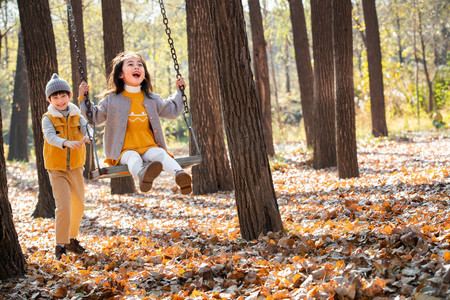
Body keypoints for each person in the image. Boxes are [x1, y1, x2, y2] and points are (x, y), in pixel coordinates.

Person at [78, 51, 192, 195]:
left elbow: (171, 110)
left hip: (148, 145)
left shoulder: (151, 98)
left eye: (140, 65)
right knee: (133, 157)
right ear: (120, 74)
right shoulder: (112, 100)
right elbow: (95, 117)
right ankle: (143, 174)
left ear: (144, 74)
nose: (136, 67)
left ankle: (180, 175)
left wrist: (179, 93)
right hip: (124, 151)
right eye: (130, 64)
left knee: (160, 154)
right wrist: (83, 98)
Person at [42, 73, 91, 260]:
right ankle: (60, 245)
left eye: (63, 96)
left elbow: (86, 127)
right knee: (63, 206)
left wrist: (87, 136)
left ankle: (71, 239)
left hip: (76, 166)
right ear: (49, 99)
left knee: (78, 205)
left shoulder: (76, 113)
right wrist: (66, 143)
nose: (60, 100)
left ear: (69, 96)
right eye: (55, 97)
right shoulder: (48, 118)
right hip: (57, 168)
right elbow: (50, 137)